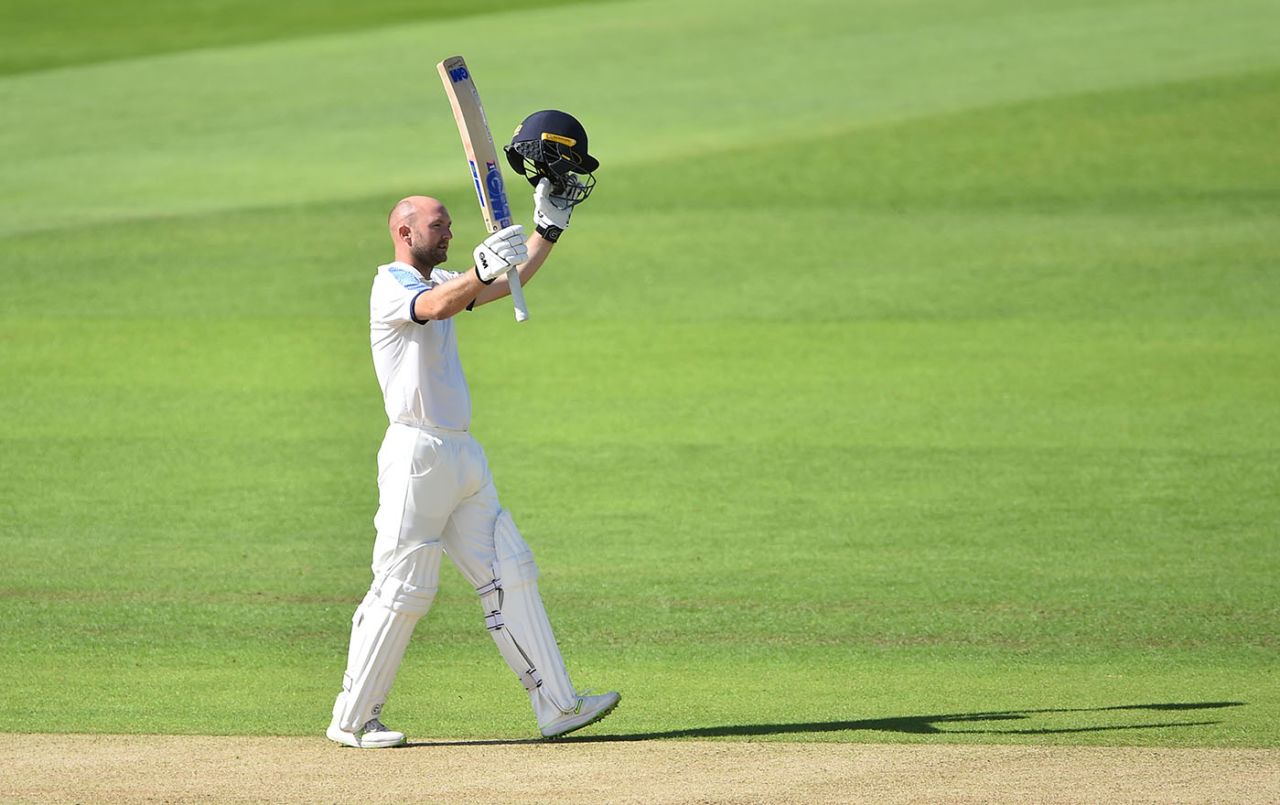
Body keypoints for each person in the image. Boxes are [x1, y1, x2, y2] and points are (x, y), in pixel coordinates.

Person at [326, 132, 618, 748]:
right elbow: (436, 305)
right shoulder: (391, 287)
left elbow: (500, 284)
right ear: (405, 232)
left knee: (512, 572)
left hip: (462, 456)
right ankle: (353, 719)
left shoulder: (446, 278)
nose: (450, 231)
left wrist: (547, 231)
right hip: (415, 456)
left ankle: (558, 705)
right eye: (439, 224)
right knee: (404, 589)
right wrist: (481, 267)